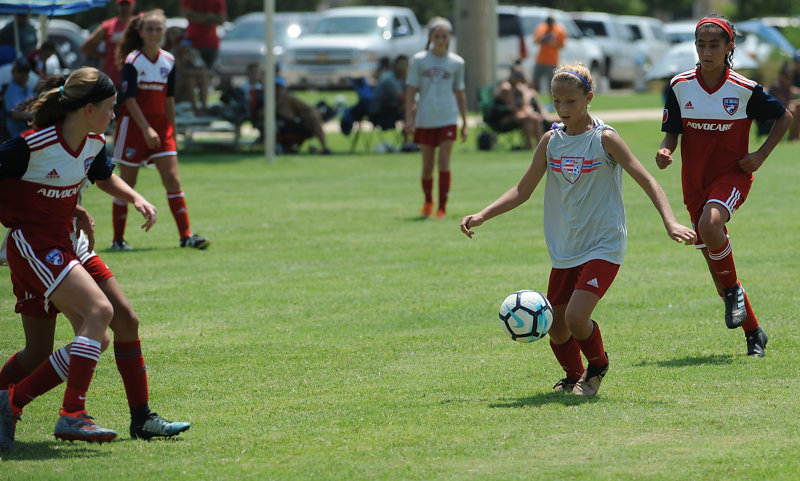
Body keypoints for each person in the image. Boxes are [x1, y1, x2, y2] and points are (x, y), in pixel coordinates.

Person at [460, 63, 696, 396]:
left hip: (604, 244)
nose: (562, 108)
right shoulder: (551, 141)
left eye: (570, 101)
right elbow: (522, 190)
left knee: (575, 316)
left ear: (589, 98)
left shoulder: (605, 139)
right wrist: (483, 214)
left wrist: (670, 221)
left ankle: (597, 367)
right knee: (556, 327)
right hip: (566, 247)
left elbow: (647, 180)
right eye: (557, 101)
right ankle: (573, 376)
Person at [0, 67, 159, 448]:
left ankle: (140, 417)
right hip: (35, 246)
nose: (114, 115)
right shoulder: (31, 146)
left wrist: (135, 198)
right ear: (88, 109)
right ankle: (71, 414)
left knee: (106, 329)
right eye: (110, 107)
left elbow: (101, 176)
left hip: (69, 243)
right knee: (98, 314)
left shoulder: (93, 142)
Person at [656, 15, 792, 357]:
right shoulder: (680, 85)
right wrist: (666, 150)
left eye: (714, 45)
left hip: (732, 176)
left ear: (729, 47)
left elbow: (785, 116)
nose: (706, 52)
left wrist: (759, 155)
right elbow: (673, 131)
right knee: (720, 272)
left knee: (710, 224)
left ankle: (733, 292)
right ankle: (754, 333)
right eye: (701, 45)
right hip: (694, 183)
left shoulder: (744, 89)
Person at [112, 9, 210, 251]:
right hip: (134, 127)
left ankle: (186, 236)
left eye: (158, 29)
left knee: (173, 180)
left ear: (164, 32)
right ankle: (118, 240)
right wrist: (146, 129)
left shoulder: (169, 60)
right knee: (127, 184)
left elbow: (169, 99)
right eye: (150, 29)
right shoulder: (133, 60)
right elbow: (130, 100)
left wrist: (172, 131)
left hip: (161, 126)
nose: (154, 33)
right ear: (140, 32)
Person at [404, 17, 467, 220]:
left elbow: (460, 92)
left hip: (448, 116)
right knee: (427, 166)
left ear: (449, 38)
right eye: (437, 36)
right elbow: (411, 89)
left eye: (444, 36)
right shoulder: (419, 60)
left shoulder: (456, 62)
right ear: (430, 37)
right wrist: (409, 117)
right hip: (426, 117)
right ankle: (428, 201)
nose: (440, 40)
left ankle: (442, 207)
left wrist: (464, 121)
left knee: (444, 162)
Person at [180, 0, 227, 113]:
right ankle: (195, 108)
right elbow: (187, 14)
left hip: (211, 45)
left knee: (206, 78)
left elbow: (221, 20)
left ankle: (204, 108)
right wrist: (209, 17)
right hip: (193, 44)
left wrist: (198, 17)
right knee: (192, 78)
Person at [82, 0, 136, 94]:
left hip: (135, 78)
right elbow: (86, 47)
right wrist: (104, 56)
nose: (124, 7)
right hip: (112, 77)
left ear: (133, 5)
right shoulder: (108, 25)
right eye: (121, 4)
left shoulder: (139, 24)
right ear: (117, 6)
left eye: (127, 4)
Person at [493, 64, 546, 150]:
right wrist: (526, 112)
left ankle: (540, 147)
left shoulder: (519, 88)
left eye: (520, 75)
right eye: (517, 75)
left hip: (517, 115)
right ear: (511, 74)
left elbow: (525, 104)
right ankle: (530, 146)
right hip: (503, 118)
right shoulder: (506, 87)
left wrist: (524, 86)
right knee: (528, 117)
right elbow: (513, 108)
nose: (518, 78)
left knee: (536, 117)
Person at [275, 76, 332, 154]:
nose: (277, 90)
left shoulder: (289, 98)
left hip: (296, 125)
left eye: (279, 87)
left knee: (313, 115)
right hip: (283, 127)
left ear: (284, 88)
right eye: (275, 87)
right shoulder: (268, 100)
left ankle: (325, 148)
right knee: (314, 115)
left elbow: (308, 108)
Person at [369, 54, 408, 141]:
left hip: (389, 109)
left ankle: (408, 142)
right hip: (379, 113)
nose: (403, 68)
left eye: (405, 65)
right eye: (401, 65)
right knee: (409, 112)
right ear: (395, 65)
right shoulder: (389, 80)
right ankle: (407, 143)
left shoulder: (401, 79)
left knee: (409, 110)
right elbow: (404, 98)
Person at [532, 16, 566, 94]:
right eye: (548, 24)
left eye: (551, 24)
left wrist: (551, 43)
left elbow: (562, 45)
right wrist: (542, 38)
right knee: (535, 82)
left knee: (551, 84)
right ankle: (534, 98)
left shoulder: (559, 30)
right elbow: (535, 40)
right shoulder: (541, 28)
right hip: (540, 60)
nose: (549, 25)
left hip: (552, 61)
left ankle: (553, 100)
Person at [3, 58, 34, 139]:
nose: (24, 74)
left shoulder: (28, 89)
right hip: (18, 134)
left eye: (26, 71)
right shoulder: (11, 90)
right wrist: (33, 115)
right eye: (21, 71)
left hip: (28, 129)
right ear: (13, 72)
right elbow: (15, 114)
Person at [767, 63, 800, 141]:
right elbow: (784, 103)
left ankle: (795, 135)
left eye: (790, 78)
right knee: (792, 109)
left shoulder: (787, 86)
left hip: (784, 109)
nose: (788, 80)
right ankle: (792, 137)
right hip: (772, 111)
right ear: (781, 76)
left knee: (798, 109)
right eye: (787, 77)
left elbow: (795, 92)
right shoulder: (776, 87)